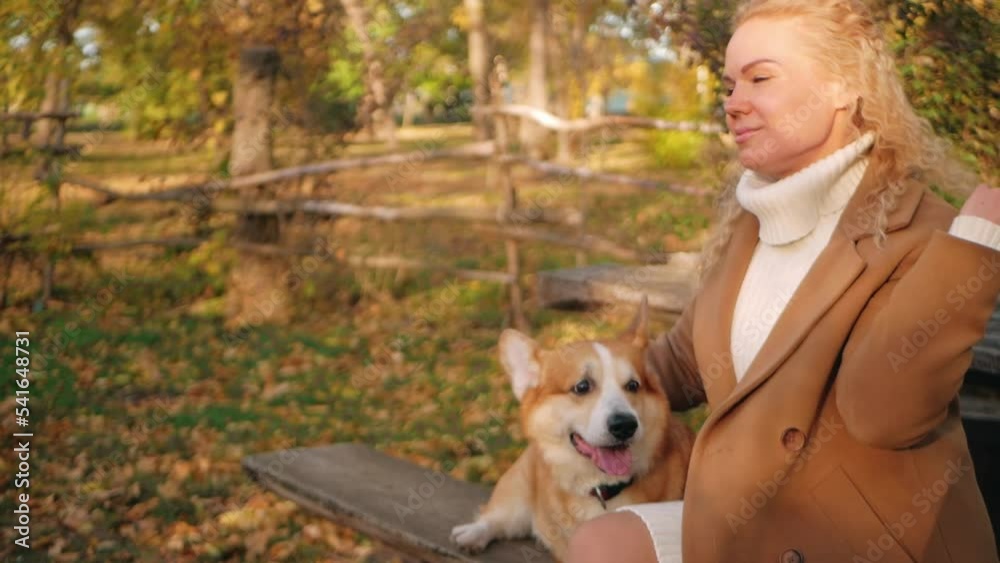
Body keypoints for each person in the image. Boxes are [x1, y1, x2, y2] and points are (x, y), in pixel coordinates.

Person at [566, 0, 1000, 562]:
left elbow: (882, 414)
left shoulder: (923, 231)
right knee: (601, 545)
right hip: (752, 522)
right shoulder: (751, 225)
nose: (733, 104)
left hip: (863, 539)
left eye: (760, 79)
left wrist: (975, 251)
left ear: (844, 88)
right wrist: (566, 389)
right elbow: (677, 366)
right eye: (728, 86)